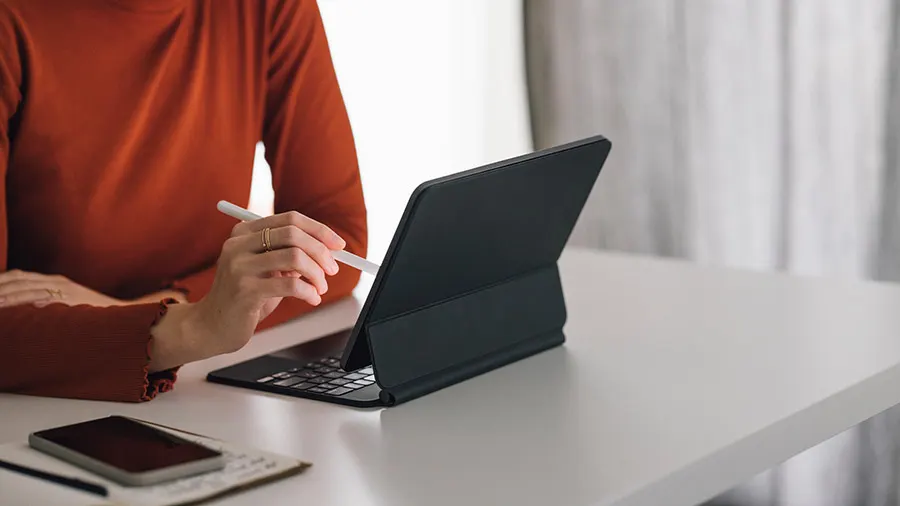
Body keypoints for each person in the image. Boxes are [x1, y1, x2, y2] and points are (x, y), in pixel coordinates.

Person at [0, 0, 367, 401]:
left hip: (199, 391)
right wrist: (195, 325)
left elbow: (337, 245)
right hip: (39, 405)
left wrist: (165, 308)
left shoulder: (270, 8)